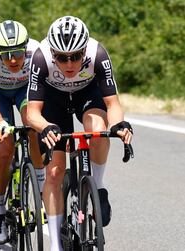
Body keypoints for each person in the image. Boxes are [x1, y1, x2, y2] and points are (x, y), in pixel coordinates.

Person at [26, 16, 134, 251]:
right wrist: (45, 127)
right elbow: (32, 113)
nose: (69, 64)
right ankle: (56, 244)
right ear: (52, 53)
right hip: (54, 100)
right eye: (62, 58)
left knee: (97, 129)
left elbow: (112, 104)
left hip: (87, 94)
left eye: (75, 56)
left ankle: (98, 184)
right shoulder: (40, 58)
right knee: (54, 172)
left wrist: (118, 125)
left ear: (84, 49)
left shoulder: (98, 54)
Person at [0, 20, 43, 244]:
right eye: (6, 55)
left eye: (18, 53)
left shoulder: (37, 51)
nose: (13, 60)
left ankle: (41, 189)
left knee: (33, 125)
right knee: (4, 147)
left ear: (25, 48)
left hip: (24, 92)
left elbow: (40, 96)